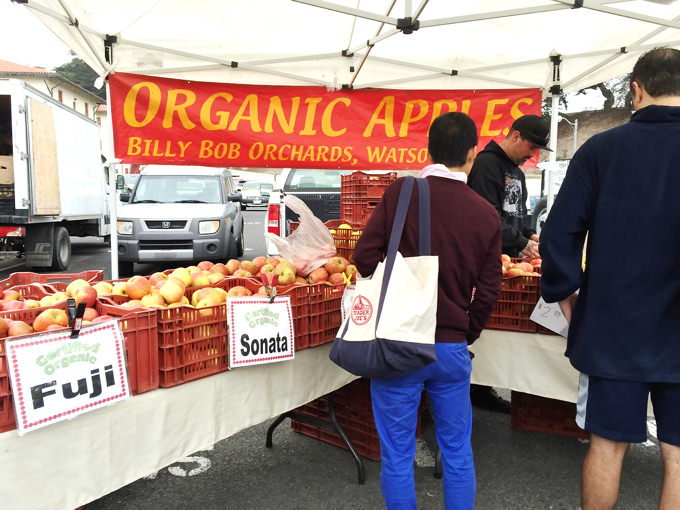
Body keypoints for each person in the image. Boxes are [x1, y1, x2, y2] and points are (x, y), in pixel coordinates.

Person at [540, 47, 680, 510]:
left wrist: (567, 296)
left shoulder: (601, 149)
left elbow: (558, 235)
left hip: (614, 326)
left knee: (607, 444)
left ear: (636, 90)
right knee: (678, 456)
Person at [353, 112, 502, 510]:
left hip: (400, 343)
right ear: (473, 153)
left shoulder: (403, 192)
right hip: (450, 348)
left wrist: (393, 279)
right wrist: (465, 332)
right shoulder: (486, 214)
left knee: (398, 455)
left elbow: (364, 256)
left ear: (429, 149)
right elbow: (488, 291)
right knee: (457, 452)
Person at [466, 113, 551, 413]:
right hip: (489, 259)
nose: (533, 155)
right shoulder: (487, 165)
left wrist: (531, 235)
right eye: (531, 147)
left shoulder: (516, 172)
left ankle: (485, 384)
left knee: (502, 327)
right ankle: (477, 386)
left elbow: (519, 213)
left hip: (509, 259)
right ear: (515, 136)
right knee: (487, 326)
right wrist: (522, 243)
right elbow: (487, 216)